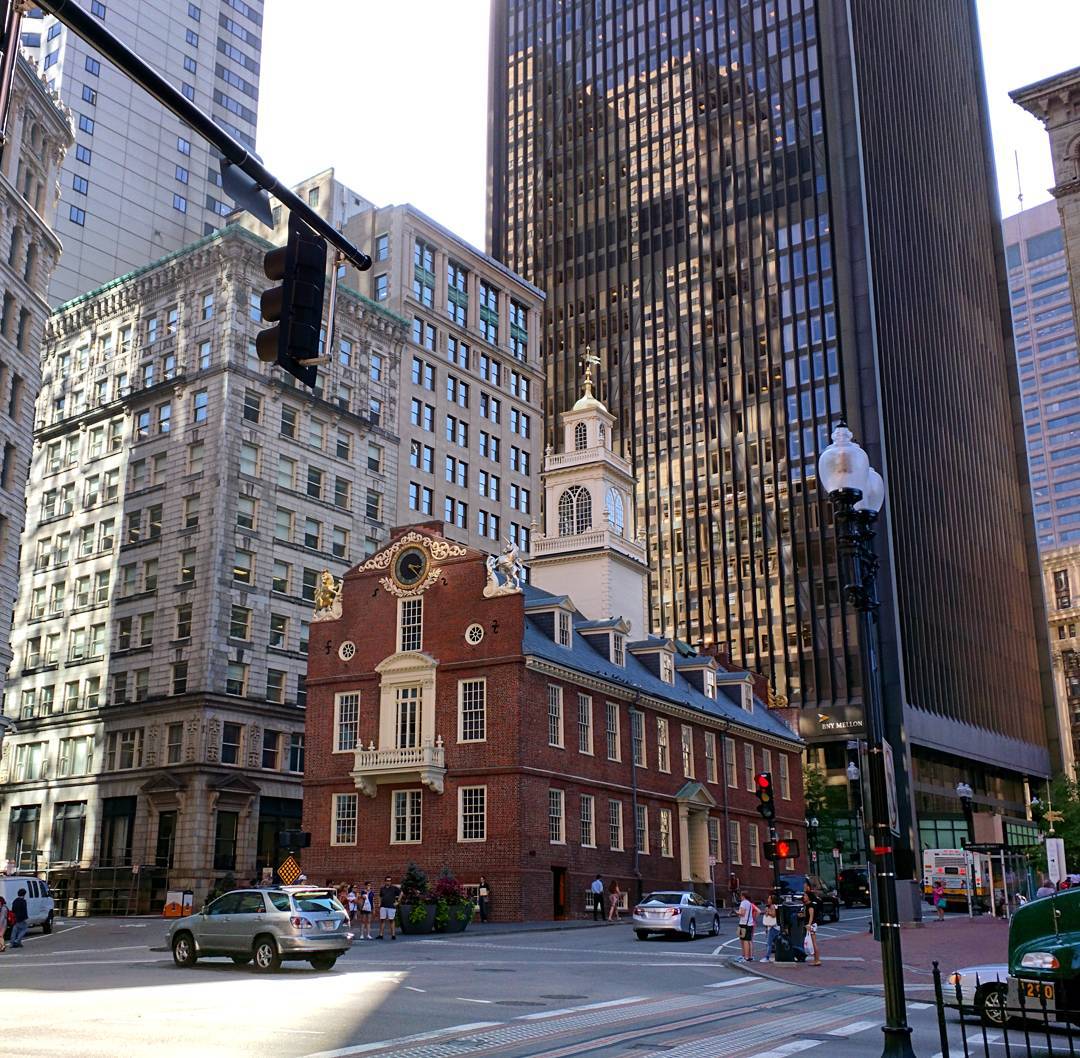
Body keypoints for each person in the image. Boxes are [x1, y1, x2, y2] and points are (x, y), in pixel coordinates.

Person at [737, 889, 758, 962]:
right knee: (748, 940)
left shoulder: (743, 903)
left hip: (743, 923)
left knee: (744, 940)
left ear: (743, 896)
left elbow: (742, 913)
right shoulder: (749, 903)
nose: (740, 897)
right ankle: (749, 956)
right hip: (749, 923)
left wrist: (736, 912)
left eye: (741, 896)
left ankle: (745, 957)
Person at [801, 891, 821, 965]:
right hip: (810, 925)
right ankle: (816, 960)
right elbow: (806, 915)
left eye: (805, 896)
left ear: (809, 897)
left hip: (811, 925)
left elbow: (811, 916)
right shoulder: (806, 905)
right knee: (812, 943)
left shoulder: (810, 905)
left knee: (814, 943)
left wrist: (809, 924)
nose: (804, 897)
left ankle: (817, 960)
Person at [378, 875, 400, 940]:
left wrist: (398, 902)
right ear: (385, 881)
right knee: (382, 920)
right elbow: (380, 896)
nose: (388, 882)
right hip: (383, 906)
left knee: (391, 920)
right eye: (387, 880)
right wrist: (379, 903)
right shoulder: (382, 888)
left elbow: (401, 893)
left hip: (391, 907)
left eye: (390, 880)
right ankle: (381, 935)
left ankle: (393, 935)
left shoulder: (394, 888)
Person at [762, 893, 780, 962]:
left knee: (769, 943)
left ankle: (767, 957)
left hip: (773, 927)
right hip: (775, 927)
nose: (768, 899)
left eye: (769, 898)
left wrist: (768, 912)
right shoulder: (775, 906)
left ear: (772, 900)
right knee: (775, 943)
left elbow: (774, 915)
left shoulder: (772, 906)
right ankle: (777, 956)